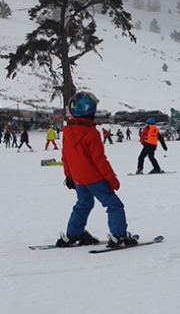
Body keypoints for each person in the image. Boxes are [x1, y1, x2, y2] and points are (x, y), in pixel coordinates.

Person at [56, 91, 137, 248]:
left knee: (83, 203)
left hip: (79, 178)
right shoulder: (91, 133)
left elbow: (65, 157)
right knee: (113, 204)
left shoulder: (66, 133)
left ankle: (73, 233)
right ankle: (119, 235)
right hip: (94, 178)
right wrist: (111, 179)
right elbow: (99, 160)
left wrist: (69, 176)